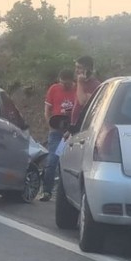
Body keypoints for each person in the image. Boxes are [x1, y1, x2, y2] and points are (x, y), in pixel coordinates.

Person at [37, 69, 76, 202]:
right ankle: (46, 191)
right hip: (56, 132)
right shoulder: (54, 89)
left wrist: (71, 129)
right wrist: (50, 123)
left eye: (67, 84)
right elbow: (47, 109)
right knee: (52, 160)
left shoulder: (77, 91)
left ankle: (65, 194)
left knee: (69, 164)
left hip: (72, 133)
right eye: (62, 83)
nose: (64, 86)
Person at [70, 55, 101, 128]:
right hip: (75, 126)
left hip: (85, 127)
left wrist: (80, 83)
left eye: (79, 68)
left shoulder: (95, 85)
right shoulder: (80, 84)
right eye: (76, 67)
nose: (76, 70)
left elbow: (82, 102)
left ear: (88, 69)